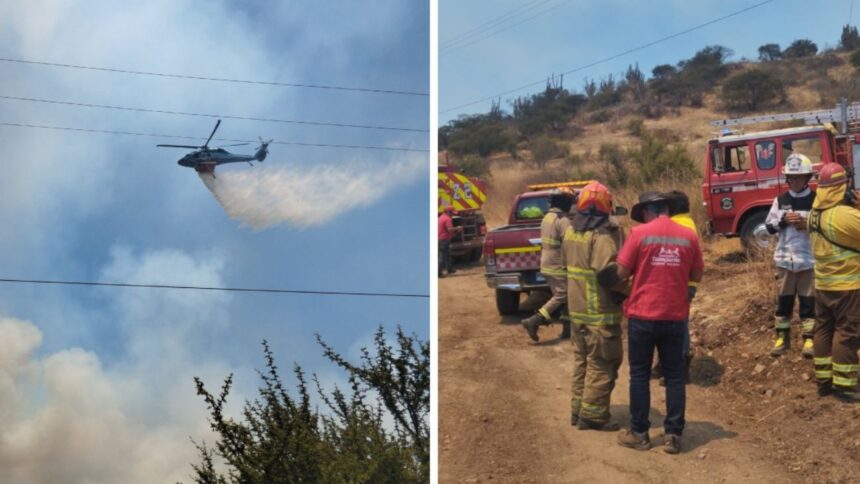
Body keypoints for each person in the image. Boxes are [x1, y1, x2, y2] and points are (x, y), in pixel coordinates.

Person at [607, 191, 703, 454]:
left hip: (643, 315)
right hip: (675, 316)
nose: (642, 220)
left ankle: (639, 433)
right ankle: (673, 435)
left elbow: (621, 272)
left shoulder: (639, 235)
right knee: (674, 377)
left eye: (643, 215)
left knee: (639, 375)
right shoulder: (689, 235)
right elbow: (697, 271)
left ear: (649, 210)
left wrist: (605, 280)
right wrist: (683, 285)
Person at [563, 182, 625, 431]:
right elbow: (608, 275)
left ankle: (577, 411)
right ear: (606, 205)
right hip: (599, 313)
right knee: (603, 363)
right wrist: (631, 291)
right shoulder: (601, 237)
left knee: (582, 362)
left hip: (577, 312)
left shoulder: (570, 233)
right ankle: (594, 416)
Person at [807, 163, 860, 403]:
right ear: (841, 187)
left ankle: (824, 382)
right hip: (847, 287)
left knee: (824, 331)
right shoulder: (845, 215)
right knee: (847, 334)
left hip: (823, 285)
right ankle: (846, 386)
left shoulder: (813, 215)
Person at [764, 153, 816, 358]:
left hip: (808, 260)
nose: (793, 181)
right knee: (784, 302)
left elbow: (823, 227)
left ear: (806, 178)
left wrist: (807, 224)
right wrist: (783, 221)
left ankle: (809, 340)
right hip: (785, 260)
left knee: (808, 303)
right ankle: (782, 338)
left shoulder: (816, 200)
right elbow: (768, 227)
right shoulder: (780, 200)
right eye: (790, 178)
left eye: (798, 177)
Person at [652, 190, 697, 383]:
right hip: (686, 282)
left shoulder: (677, 225)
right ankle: (667, 365)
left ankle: (678, 368)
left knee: (676, 325)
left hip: (677, 283)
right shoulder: (689, 223)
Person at [521, 188, 575, 342]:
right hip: (558, 264)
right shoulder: (563, 220)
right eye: (570, 201)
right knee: (562, 294)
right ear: (565, 202)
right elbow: (570, 243)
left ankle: (567, 330)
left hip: (546, 263)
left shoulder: (548, 217)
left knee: (565, 296)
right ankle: (534, 321)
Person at [438, 206, 461, 277]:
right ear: (448, 212)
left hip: (441, 239)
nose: (453, 215)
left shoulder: (441, 217)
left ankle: (449, 269)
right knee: (442, 256)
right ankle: (438, 272)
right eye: (452, 213)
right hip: (443, 240)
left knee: (447, 254)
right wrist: (457, 228)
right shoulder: (448, 219)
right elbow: (450, 229)